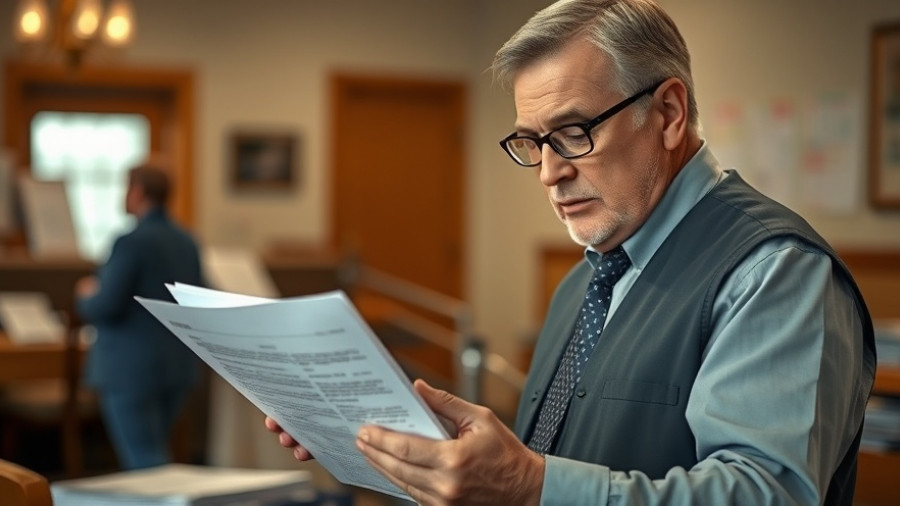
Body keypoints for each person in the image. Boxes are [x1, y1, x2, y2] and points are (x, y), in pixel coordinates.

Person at [265, 0, 876, 504]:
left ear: (667, 113)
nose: (549, 173)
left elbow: (766, 494)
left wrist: (528, 484)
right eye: (533, 142)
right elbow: (557, 464)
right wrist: (396, 450)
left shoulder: (774, 273)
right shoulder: (588, 279)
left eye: (573, 133)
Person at [75, 163, 205, 470]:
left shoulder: (131, 242)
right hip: (178, 366)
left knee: (146, 462)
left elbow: (105, 306)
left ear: (138, 191)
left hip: (130, 369)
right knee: (155, 452)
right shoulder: (188, 241)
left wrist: (86, 293)